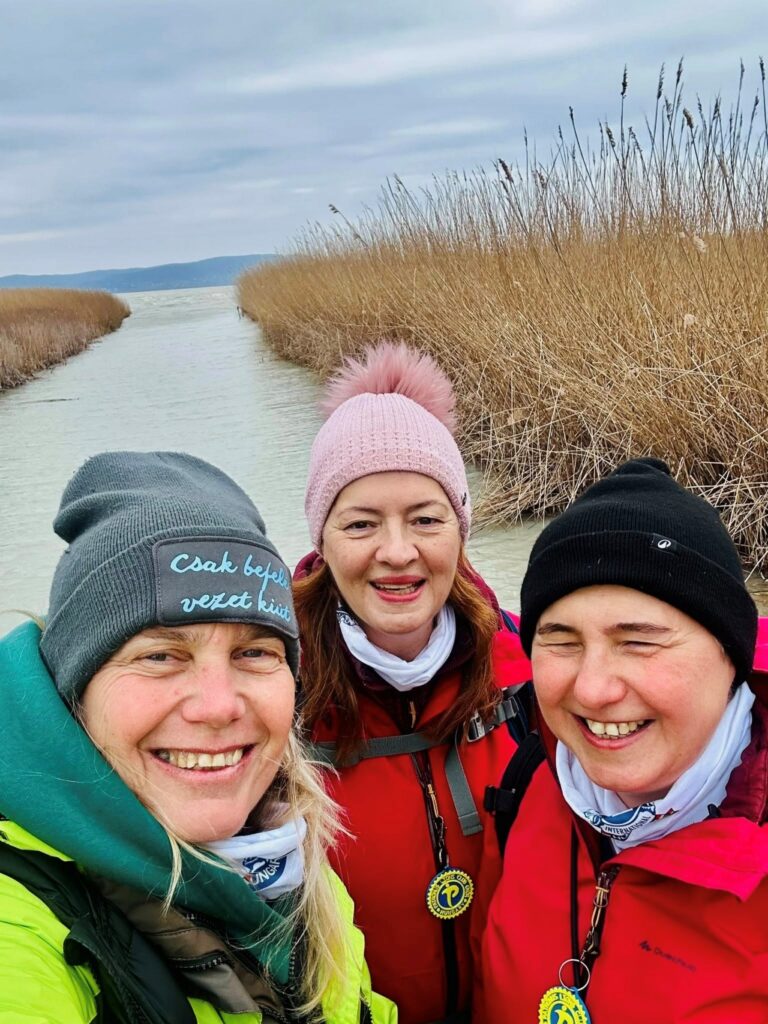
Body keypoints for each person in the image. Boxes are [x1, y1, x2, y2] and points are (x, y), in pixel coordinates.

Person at [0, 451, 397, 1024]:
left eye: (254, 653)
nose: (217, 707)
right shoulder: (24, 923)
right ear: (75, 688)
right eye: (160, 655)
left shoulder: (289, 850)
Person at [477, 457, 768, 1023]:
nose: (593, 688)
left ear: (730, 656)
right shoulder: (528, 786)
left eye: (638, 642)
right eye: (560, 641)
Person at [294, 343, 532, 1024]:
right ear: (324, 538)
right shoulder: (272, 697)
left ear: (459, 528)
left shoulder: (532, 675)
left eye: (426, 519)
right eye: (362, 523)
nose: (397, 552)